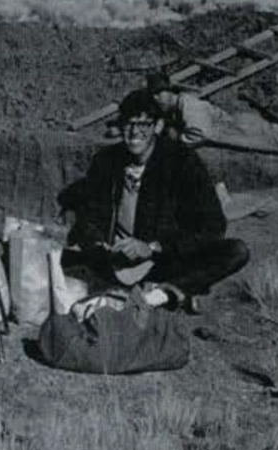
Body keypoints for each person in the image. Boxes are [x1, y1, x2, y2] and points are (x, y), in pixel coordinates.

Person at [67, 88, 249, 311]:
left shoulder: (182, 162)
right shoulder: (106, 161)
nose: (134, 132)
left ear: (158, 126)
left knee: (236, 251)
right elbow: (89, 215)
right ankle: (174, 293)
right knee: (64, 260)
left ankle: (158, 296)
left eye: (143, 125)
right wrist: (98, 242)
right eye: (128, 124)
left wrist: (153, 247)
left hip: (166, 259)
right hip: (116, 263)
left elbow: (212, 226)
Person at [146, 69, 278, 159]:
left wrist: (177, 142)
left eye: (159, 93)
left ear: (169, 91)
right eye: (153, 95)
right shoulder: (179, 105)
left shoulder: (189, 107)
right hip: (238, 126)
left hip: (239, 129)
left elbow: (201, 133)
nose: (156, 98)